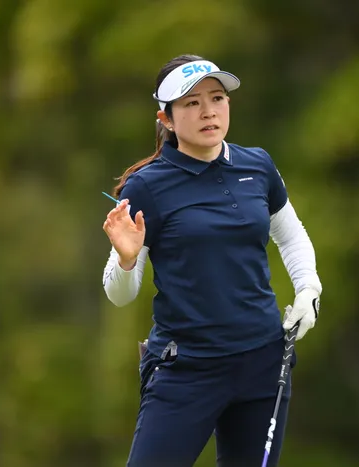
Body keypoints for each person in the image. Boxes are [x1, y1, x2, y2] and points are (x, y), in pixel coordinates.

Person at [101, 54, 322, 467]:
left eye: (217, 98)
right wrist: (127, 259)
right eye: (191, 102)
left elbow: (291, 235)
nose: (208, 111)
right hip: (186, 369)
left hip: (262, 363)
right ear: (166, 119)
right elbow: (119, 294)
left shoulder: (258, 165)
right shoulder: (146, 187)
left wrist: (308, 288)